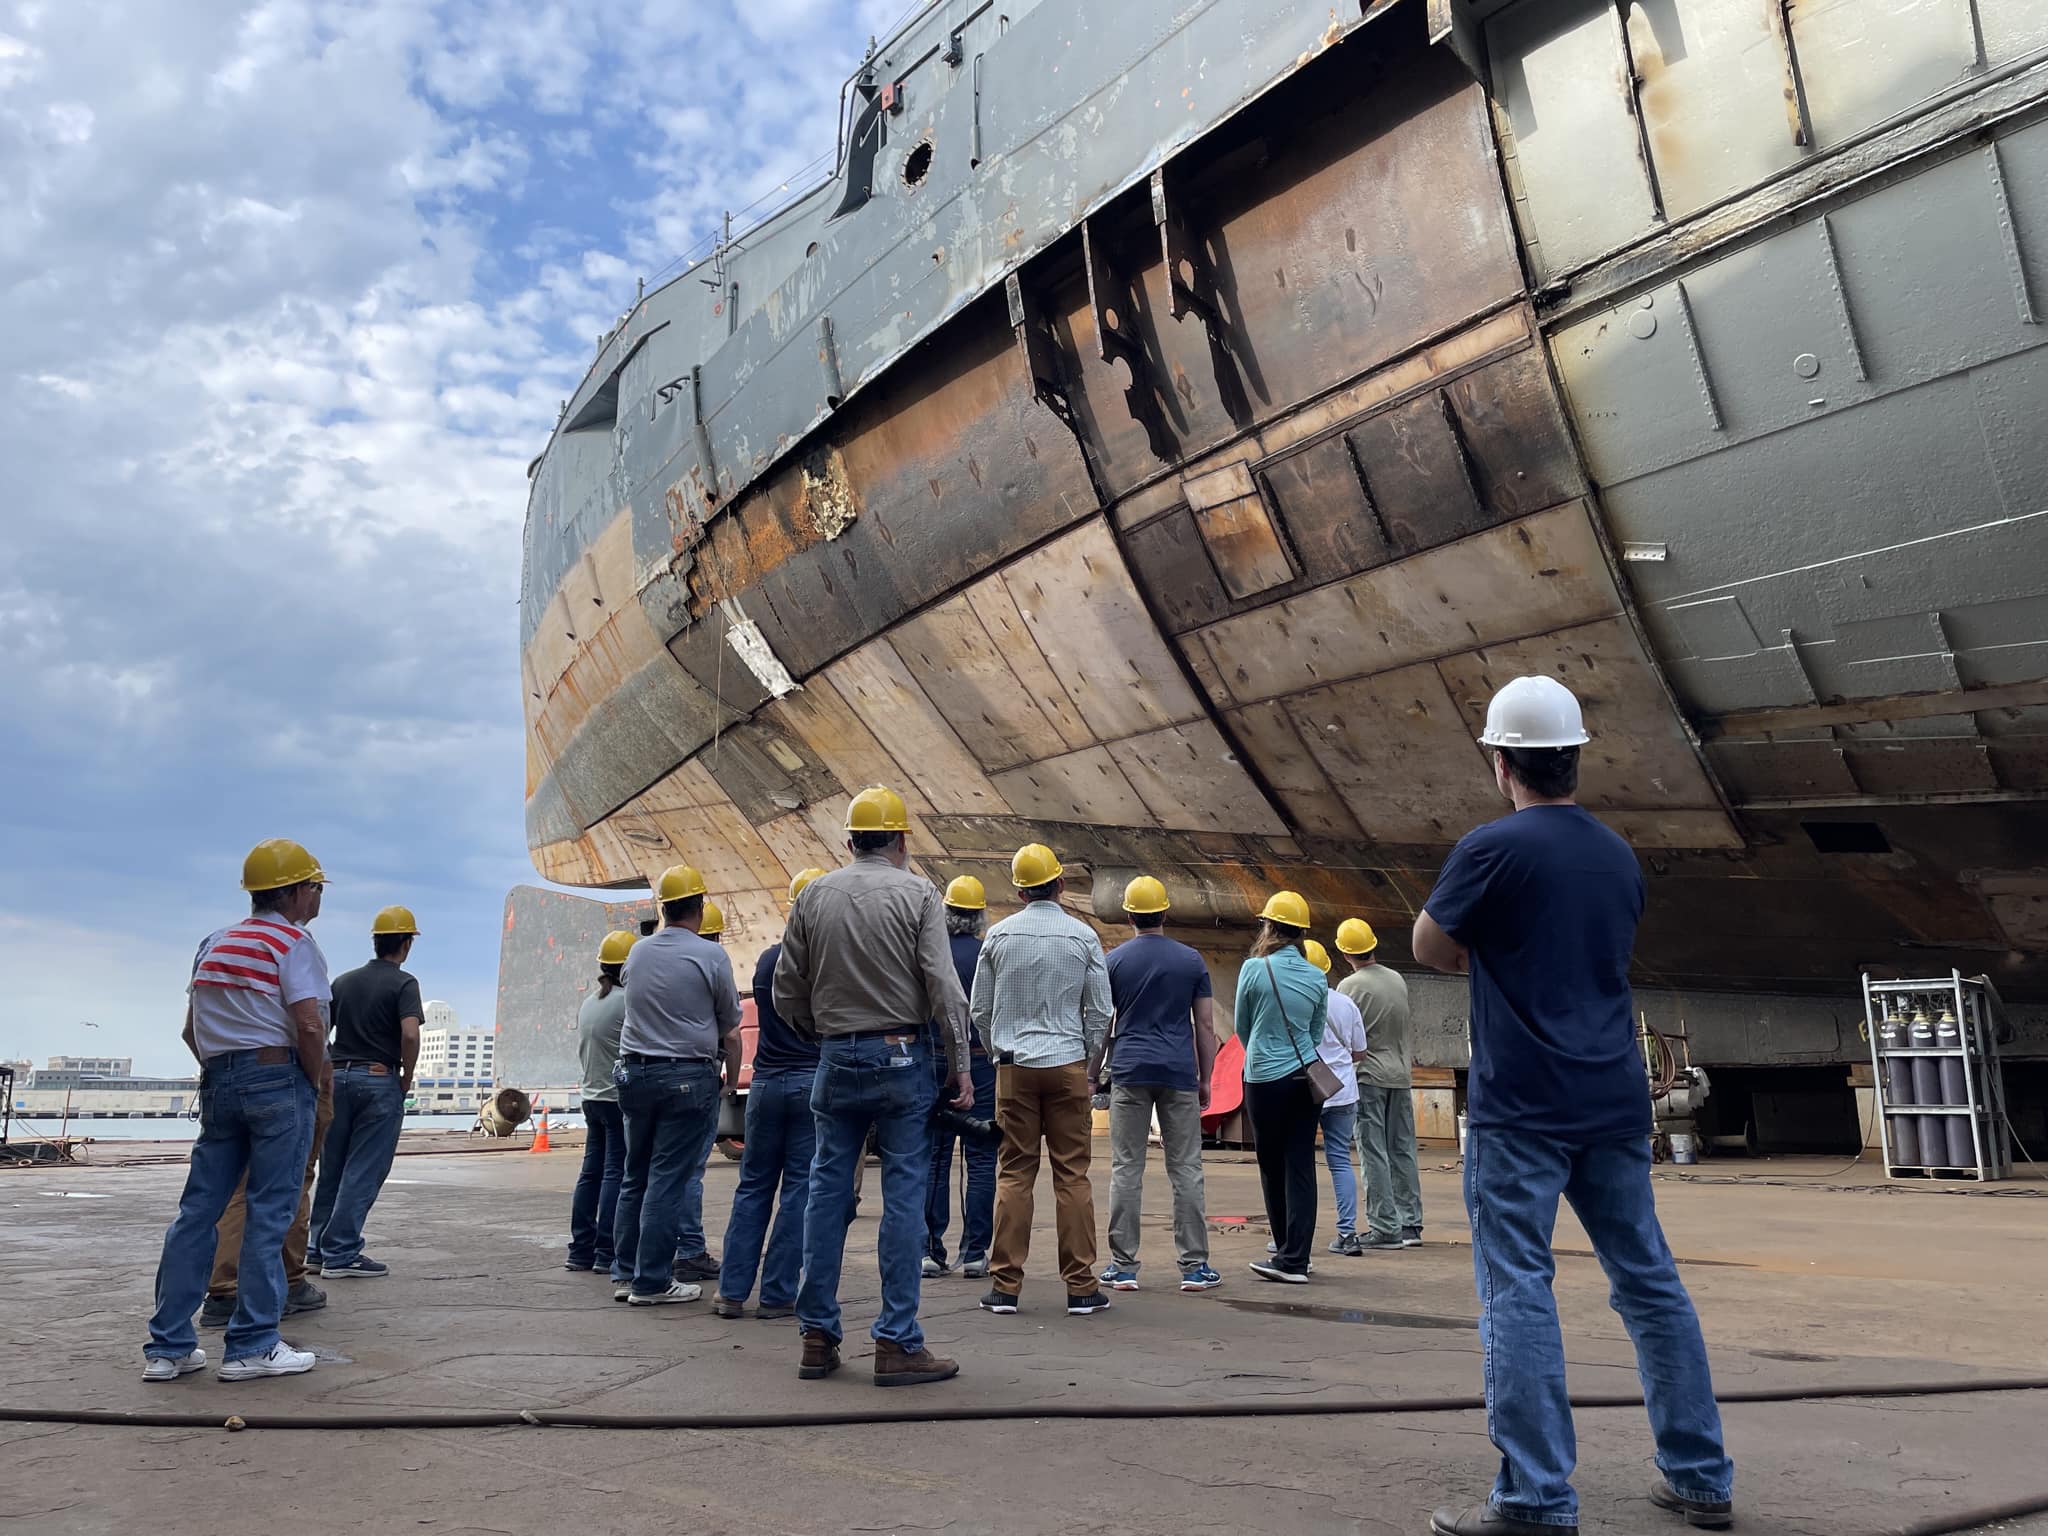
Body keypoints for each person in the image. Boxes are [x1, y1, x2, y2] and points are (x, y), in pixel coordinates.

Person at [1415, 676, 1734, 1536]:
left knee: (1517, 1287)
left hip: (1520, 1104)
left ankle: (1535, 1497)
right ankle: (1700, 1478)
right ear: (1573, 758)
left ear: (1502, 762)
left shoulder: (1490, 849)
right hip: (1613, 1102)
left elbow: (1430, 944)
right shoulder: (1616, 853)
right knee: (1650, 1283)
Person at [775, 786, 974, 1388]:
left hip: (836, 1057)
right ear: (901, 839)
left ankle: (816, 1335)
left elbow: (787, 987)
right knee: (905, 1196)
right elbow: (943, 986)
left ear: (849, 840)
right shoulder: (918, 893)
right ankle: (896, 1341)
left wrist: (826, 1035)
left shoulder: (813, 895)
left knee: (825, 1192)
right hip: (902, 1056)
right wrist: (960, 1062)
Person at [144, 839, 330, 1382]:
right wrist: (312, 1079)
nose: (318, 898)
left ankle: (169, 1347)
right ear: (296, 891)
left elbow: (189, 1028)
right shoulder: (295, 942)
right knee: (270, 1212)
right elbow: (310, 1023)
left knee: (197, 1213)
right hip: (278, 1078)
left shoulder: (213, 942)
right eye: (316, 887)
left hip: (219, 1077)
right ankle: (252, 1344)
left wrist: (223, 1069)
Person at [972, 843, 1113, 1318]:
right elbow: (1100, 1012)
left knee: (1015, 1173)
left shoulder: (998, 937)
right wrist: (1089, 1065)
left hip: (1014, 1068)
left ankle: (1005, 1286)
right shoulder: (1083, 936)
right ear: (1061, 884)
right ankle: (1081, 1286)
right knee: (1072, 1176)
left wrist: (997, 1055)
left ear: (1018, 890)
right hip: (1068, 1064)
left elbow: (980, 1010)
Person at [611, 864, 741, 1307]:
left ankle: (626, 1274)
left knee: (635, 1177)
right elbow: (729, 1022)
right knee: (669, 1179)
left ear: (663, 907)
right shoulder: (711, 956)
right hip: (685, 1076)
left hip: (633, 1073)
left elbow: (633, 991)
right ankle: (652, 1282)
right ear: (700, 908)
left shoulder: (638, 954)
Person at [713, 869, 826, 1320]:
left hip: (764, 1086)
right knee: (799, 1188)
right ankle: (778, 1293)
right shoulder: (825, 964)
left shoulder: (766, 960)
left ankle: (731, 1292)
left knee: (753, 1187)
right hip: (808, 1083)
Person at [1099, 874, 1220, 1294]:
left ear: (1129, 915)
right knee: (1186, 1168)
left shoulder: (1113, 961)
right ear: (1166, 912)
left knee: (1126, 1169)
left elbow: (1102, 1024)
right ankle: (1194, 1267)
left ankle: (1123, 1266)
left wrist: (1095, 1073)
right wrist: (1206, 1078)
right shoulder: (1190, 960)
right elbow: (1205, 1025)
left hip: (1130, 1071)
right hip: (1178, 1072)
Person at [306, 905, 422, 1279]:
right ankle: (341, 1253)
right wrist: (406, 1076)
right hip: (378, 1079)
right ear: (405, 944)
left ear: (375, 942)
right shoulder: (405, 983)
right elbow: (409, 1033)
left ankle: (317, 1250)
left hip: (337, 1077)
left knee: (332, 1168)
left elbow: (321, 1031)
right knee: (364, 1168)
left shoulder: (342, 982)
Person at [1233, 890, 1326, 1284]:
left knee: (1272, 1167)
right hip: (1305, 1078)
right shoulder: (1318, 976)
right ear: (1302, 933)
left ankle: (1285, 1255)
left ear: (1269, 926)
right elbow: (1316, 1033)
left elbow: (1242, 1024)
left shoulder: (1254, 969)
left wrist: (1263, 1049)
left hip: (1264, 1079)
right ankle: (1298, 1258)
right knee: (1302, 1164)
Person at [923, 875, 997, 1280]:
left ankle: (930, 1251)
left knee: (934, 1156)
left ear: (946, 914)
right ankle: (974, 1254)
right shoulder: (989, 954)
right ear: (980, 916)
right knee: (982, 1158)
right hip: (982, 1062)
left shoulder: (930, 952)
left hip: (934, 1060)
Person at [1337, 917, 1423, 1251]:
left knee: (1373, 1151)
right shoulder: (1397, 979)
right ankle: (1410, 1223)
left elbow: (1346, 1038)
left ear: (1345, 954)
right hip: (1400, 1077)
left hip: (1369, 1077)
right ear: (1374, 945)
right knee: (1403, 1149)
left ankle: (1384, 1226)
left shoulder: (1349, 988)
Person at [670, 896, 738, 1284]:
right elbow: (731, 1030)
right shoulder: (712, 960)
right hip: (696, 1075)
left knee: (652, 1172)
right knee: (691, 1172)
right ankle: (691, 1251)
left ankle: (639, 1257)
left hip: (649, 1075)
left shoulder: (645, 957)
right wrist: (730, 1081)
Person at [566, 929, 635, 1274]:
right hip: (615, 1099)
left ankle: (580, 1249)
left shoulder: (590, 1002)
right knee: (615, 1173)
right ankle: (607, 1250)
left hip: (590, 1098)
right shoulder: (627, 1001)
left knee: (589, 1173)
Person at [1304, 940, 1370, 1257]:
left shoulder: (1296, 1002)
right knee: (1340, 1161)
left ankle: (1290, 1237)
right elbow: (1360, 1050)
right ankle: (1347, 1233)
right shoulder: (1345, 1003)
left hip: (1306, 1088)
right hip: (1343, 1089)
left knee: (1298, 1165)